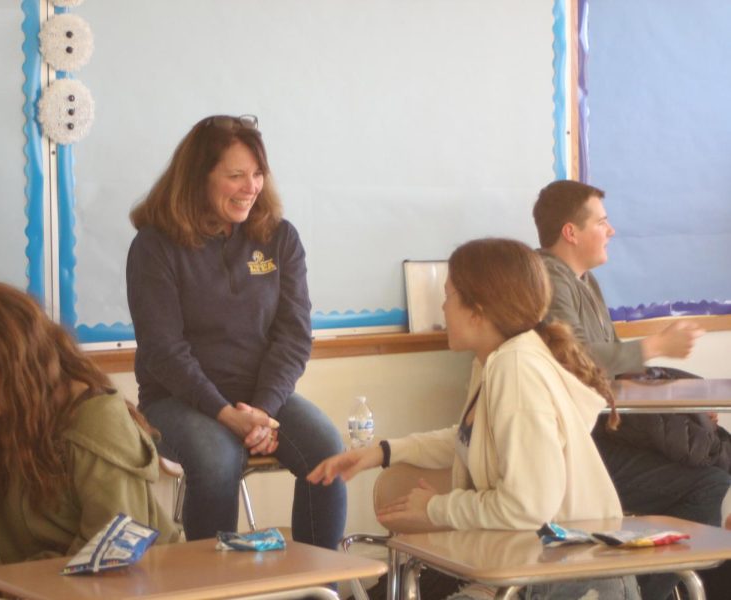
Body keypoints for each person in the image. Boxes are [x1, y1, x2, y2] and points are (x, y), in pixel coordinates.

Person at [309, 238, 639, 600]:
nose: (443, 306)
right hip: (530, 571)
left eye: (449, 296)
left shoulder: (515, 368)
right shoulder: (498, 359)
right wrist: (383, 452)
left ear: (477, 311)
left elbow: (527, 508)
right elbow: (472, 438)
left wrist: (435, 508)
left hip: (566, 579)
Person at [125, 114, 346, 549]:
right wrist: (227, 414)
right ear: (198, 178)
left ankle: (321, 589)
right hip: (176, 401)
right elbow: (163, 350)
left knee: (326, 450)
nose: (252, 187)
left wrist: (262, 411)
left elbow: (294, 336)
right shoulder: (154, 245)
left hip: (262, 399)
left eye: (258, 174)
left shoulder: (280, 238)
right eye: (236, 175)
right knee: (217, 458)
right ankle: (212, 590)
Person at [533, 179, 731, 599]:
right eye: (602, 222)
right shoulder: (547, 280)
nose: (612, 230)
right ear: (571, 231)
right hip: (579, 448)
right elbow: (577, 356)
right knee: (707, 482)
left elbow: (611, 372)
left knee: (708, 459)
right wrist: (658, 345)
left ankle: (645, 587)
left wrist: (685, 407)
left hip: (604, 431)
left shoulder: (584, 280)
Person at [0, 280, 177, 577]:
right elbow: (26, 535)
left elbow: (112, 562)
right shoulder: (17, 418)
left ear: (9, 356)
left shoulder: (97, 423)